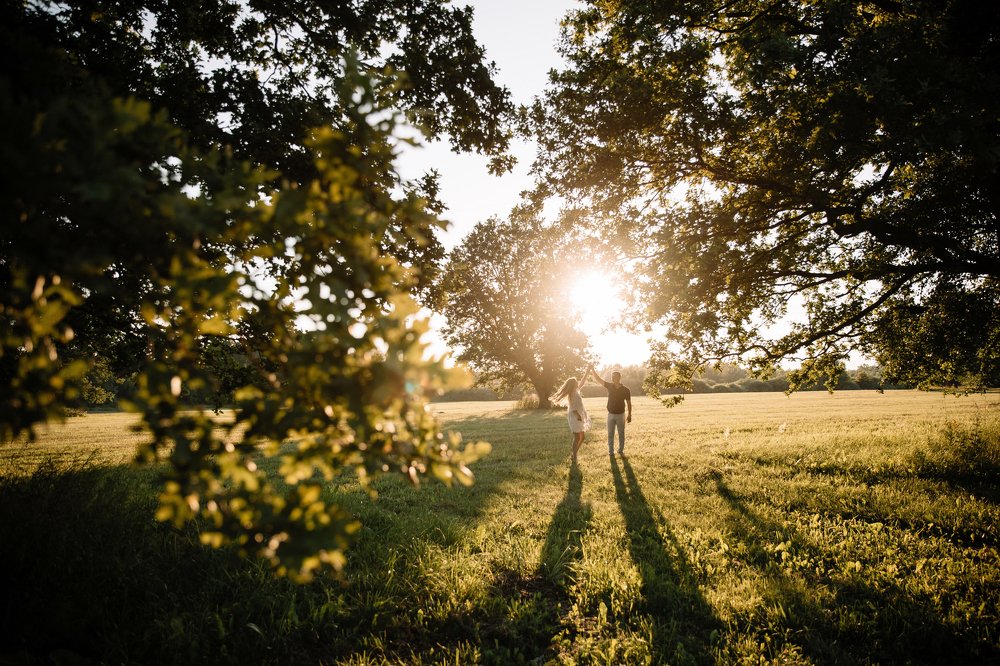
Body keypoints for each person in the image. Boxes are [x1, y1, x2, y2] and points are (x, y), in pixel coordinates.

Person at [589, 365, 632, 455]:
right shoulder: (610, 386)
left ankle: (620, 450)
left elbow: (628, 403)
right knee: (610, 434)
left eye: (615, 377)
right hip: (610, 414)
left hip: (621, 415)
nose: (613, 379)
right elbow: (599, 380)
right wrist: (593, 370)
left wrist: (629, 415)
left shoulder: (626, 390)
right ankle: (611, 452)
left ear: (619, 378)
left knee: (621, 433)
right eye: (612, 377)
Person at [551, 369, 591, 464]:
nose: (578, 384)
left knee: (582, 437)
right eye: (576, 383)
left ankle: (573, 454)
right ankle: (574, 456)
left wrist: (588, 370)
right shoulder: (572, 394)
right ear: (573, 385)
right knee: (577, 437)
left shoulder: (576, 391)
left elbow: (583, 381)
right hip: (575, 416)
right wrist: (578, 416)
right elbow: (573, 408)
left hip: (579, 416)